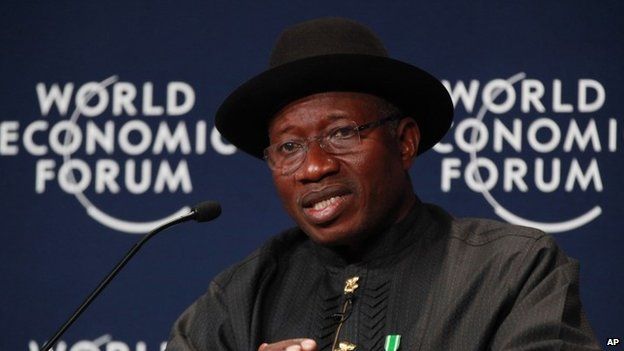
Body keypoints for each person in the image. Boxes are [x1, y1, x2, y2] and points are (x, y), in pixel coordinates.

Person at [166, 17, 600, 351]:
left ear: (405, 142)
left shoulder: (513, 268)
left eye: (341, 133)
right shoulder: (239, 297)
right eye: (289, 146)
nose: (313, 168)